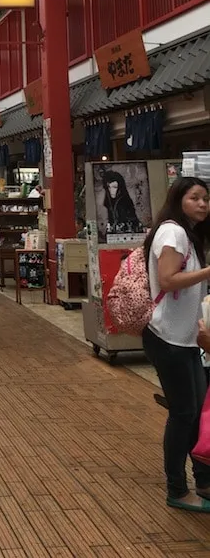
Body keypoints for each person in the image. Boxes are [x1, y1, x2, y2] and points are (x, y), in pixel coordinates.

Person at [141, 177, 210, 512]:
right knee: (184, 413)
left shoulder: (189, 235)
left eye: (206, 199)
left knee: (196, 413)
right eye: (194, 198)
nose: (202, 204)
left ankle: (203, 482)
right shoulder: (174, 232)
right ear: (178, 200)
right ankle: (177, 490)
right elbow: (168, 280)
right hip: (166, 337)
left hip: (184, 340)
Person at [102, 170, 143, 234]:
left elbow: (132, 220)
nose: (111, 190)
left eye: (114, 187)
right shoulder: (109, 201)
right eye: (109, 187)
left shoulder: (125, 201)